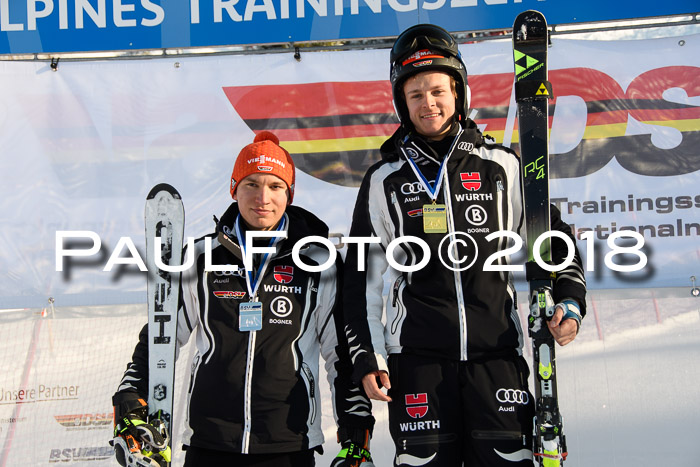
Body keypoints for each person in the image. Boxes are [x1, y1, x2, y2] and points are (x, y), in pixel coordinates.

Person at [343, 24, 587, 466]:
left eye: (437, 90)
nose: (428, 103)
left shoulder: (502, 167)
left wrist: (569, 302)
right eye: (415, 94)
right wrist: (369, 357)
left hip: (496, 357)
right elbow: (361, 277)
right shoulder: (384, 180)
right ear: (402, 103)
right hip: (416, 364)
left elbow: (555, 241)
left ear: (458, 93)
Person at [112, 131, 374, 467]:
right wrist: (130, 397)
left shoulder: (318, 262)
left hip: (289, 442)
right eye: (251, 184)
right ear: (234, 188)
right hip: (209, 440)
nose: (262, 197)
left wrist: (357, 433)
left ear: (289, 194)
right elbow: (160, 336)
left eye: (275, 186)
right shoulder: (199, 258)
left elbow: (339, 354)